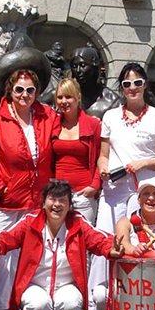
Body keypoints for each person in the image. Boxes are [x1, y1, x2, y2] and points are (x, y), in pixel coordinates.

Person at [0, 180, 124, 310]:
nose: (57, 205)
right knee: (38, 305)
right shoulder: (30, 221)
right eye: (52, 199)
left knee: (70, 304)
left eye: (63, 200)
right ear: (43, 203)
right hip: (35, 285)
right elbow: (8, 237)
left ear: (70, 205)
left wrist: (111, 248)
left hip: (66, 285)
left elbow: (99, 240)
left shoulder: (78, 223)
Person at [88, 63, 155, 310]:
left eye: (137, 83)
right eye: (127, 84)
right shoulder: (111, 117)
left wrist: (144, 162)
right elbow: (103, 156)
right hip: (114, 189)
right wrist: (103, 169)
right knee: (106, 241)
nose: (132, 88)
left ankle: (134, 301)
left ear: (145, 84)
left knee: (139, 242)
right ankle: (98, 307)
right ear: (122, 88)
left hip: (143, 189)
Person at [0, 68, 57, 310]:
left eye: (30, 90)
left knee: (26, 257)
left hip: (33, 201)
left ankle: (16, 305)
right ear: (10, 91)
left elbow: (68, 132)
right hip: (2, 202)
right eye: (19, 89)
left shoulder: (46, 115)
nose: (24, 95)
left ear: (37, 92)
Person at [52, 77, 102, 224]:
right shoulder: (52, 123)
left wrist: (95, 185)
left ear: (78, 97)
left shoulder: (93, 124)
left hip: (83, 194)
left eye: (68, 96)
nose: (63, 101)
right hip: (58, 194)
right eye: (60, 97)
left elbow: (102, 156)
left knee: (83, 241)